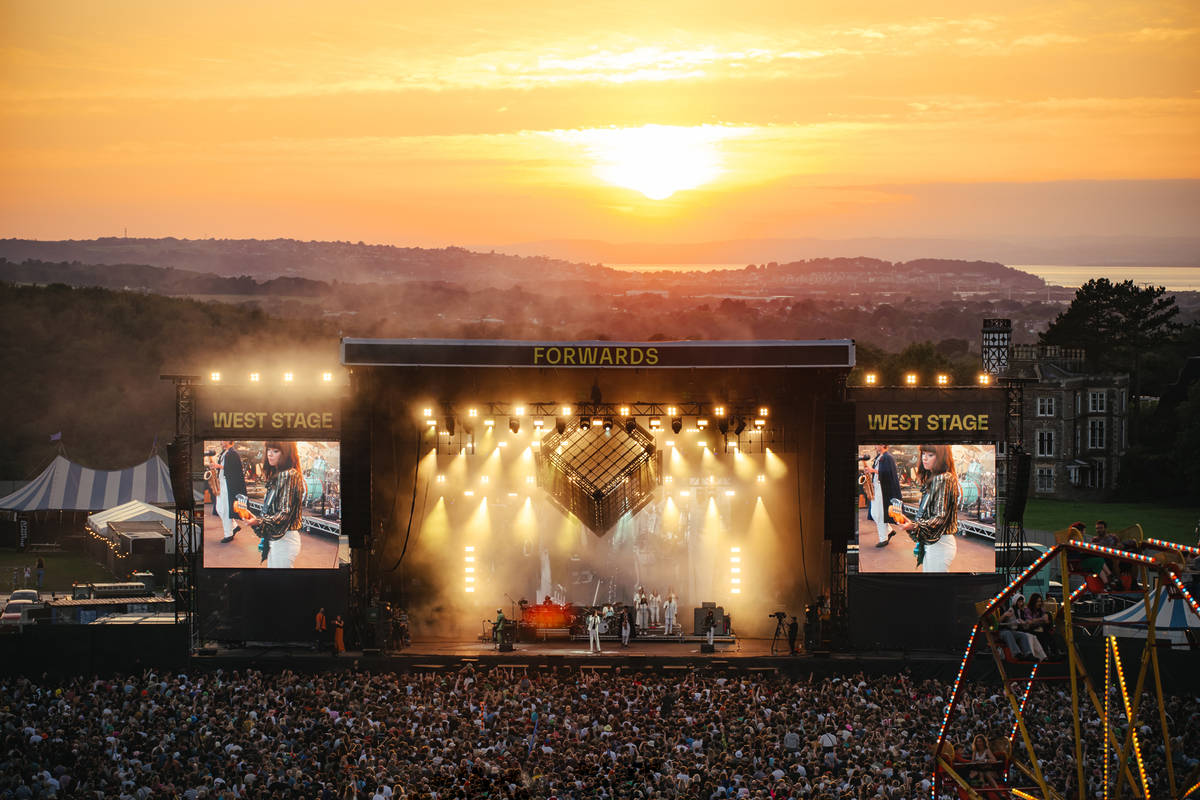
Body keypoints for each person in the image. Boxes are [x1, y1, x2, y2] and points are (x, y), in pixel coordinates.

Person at [240, 441, 305, 567]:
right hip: (276, 538)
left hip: (285, 539)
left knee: (280, 583)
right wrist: (255, 519)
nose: (270, 454)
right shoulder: (279, 475)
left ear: (286, 454)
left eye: (276, 451)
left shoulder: (289, 475)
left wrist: (259, 521)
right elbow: (271, 512)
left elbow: (284, 513)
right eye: (269, 450)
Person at [899, 444, 961, 572]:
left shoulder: (944, 478)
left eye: (930, 455)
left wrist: (915, 526)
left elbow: (939, 518)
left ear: (941, 457)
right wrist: (911, 524)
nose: (924, 459)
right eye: (923, 454)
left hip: (940, 543)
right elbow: (928, 515)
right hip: (933, 543)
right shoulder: (934, 478)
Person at [864, 445, 903, 548]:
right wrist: (870, 472)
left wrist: (873, 471)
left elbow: (888, 474)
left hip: (882, 489)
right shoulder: (879, 457)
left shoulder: (888, 457)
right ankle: (889, 531)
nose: (875, 446)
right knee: (874, 513)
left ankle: (883, 538)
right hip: (877, 488)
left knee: (879, 514)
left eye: (877, 444)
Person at [214, 441, 249, 544]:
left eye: (223, 440)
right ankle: (234, 526)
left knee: (225, 510)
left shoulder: (233, 454)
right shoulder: (224, 453)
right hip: (222, 484)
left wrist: (219, 467)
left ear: (229, 441)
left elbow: (235, 470)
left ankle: (228, 534)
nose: (221, 442)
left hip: (228, 485)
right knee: (219, 508)